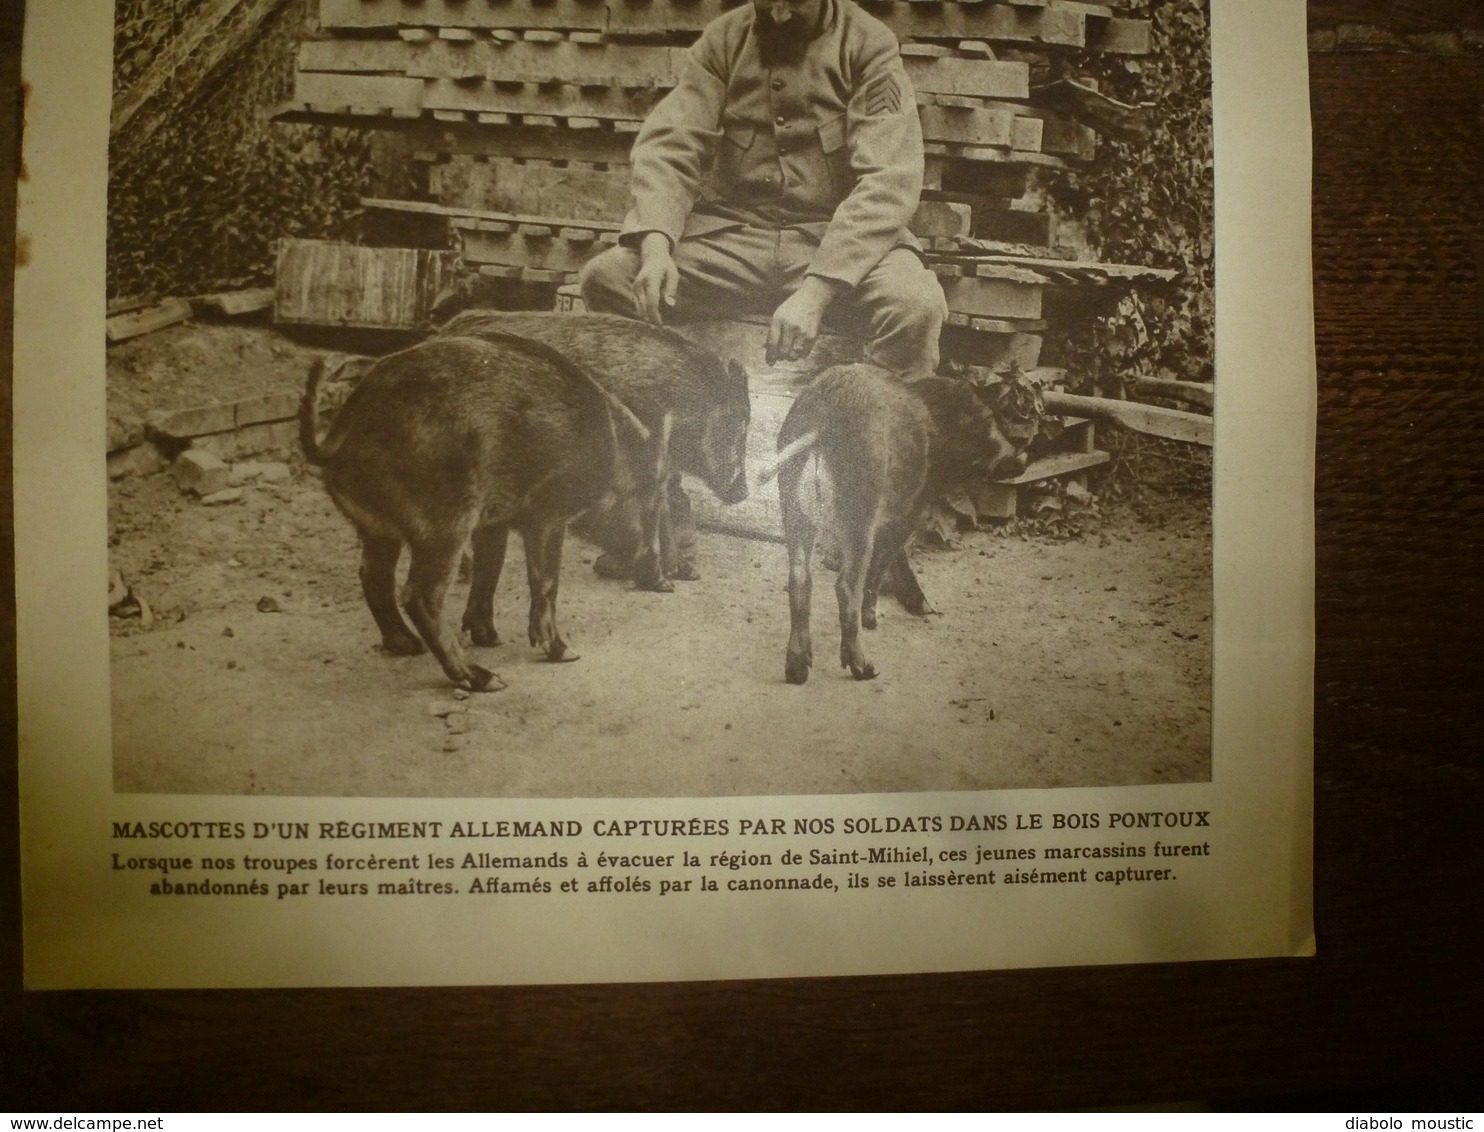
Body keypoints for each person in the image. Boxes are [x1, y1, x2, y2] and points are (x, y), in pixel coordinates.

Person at [578, 0, 948, 381]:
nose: (780, 15)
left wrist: (816, 293)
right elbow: (670, 146)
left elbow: (888, 180)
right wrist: (657, 248)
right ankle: (658, 413)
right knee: (607, 278)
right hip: (733, 240)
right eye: (767, 1)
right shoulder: (724, 39)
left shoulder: (868, 45)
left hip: (832, 241)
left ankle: (878, 425)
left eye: (794, 3)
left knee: (915, 305)